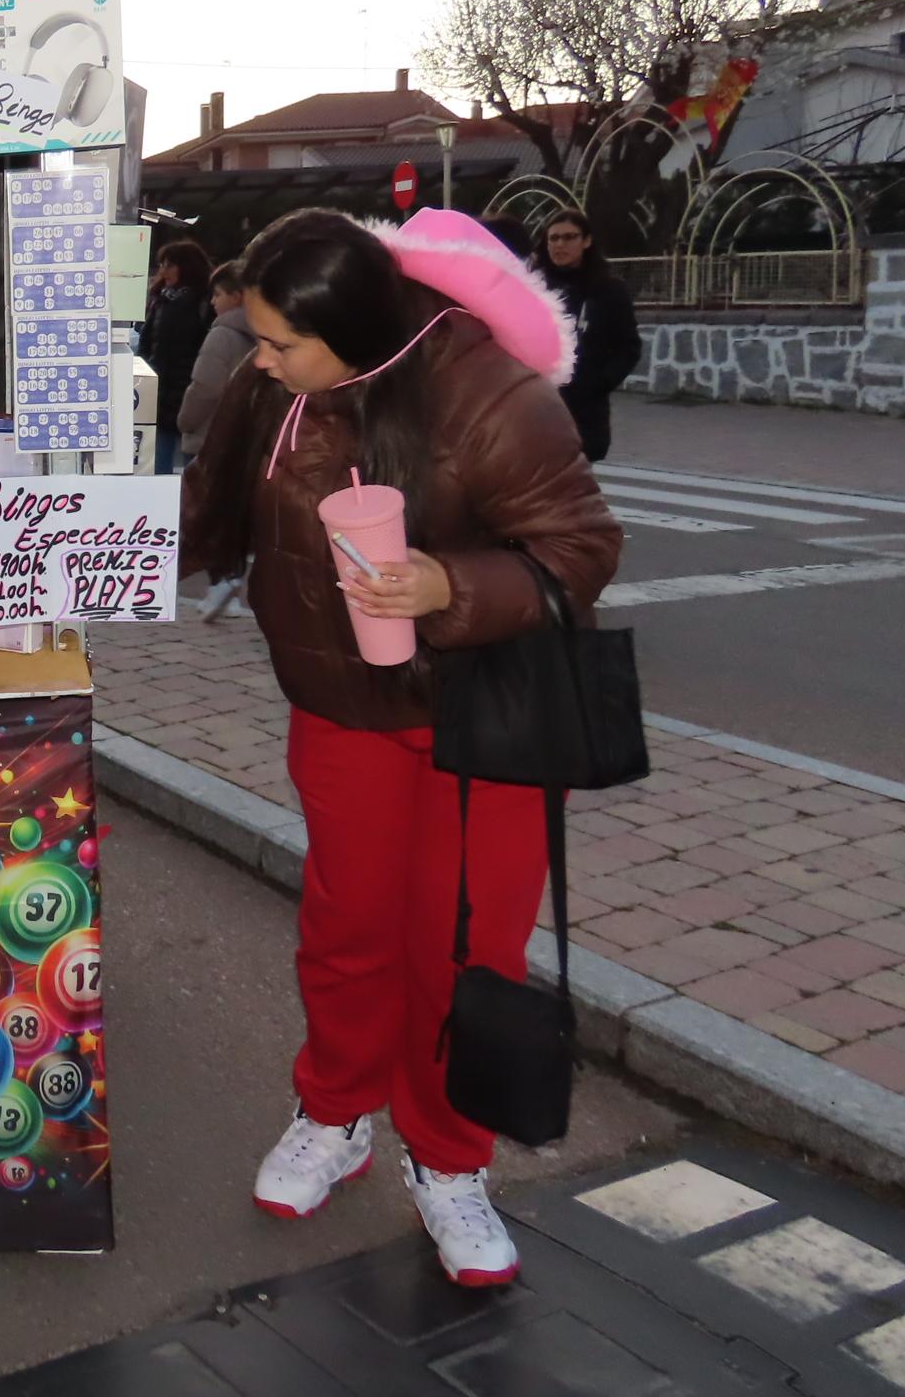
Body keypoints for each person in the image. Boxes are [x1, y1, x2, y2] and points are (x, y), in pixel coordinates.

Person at [183, 208, 620, 1288]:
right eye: (259, 337)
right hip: (339, 710)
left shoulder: (486, 393)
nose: (262, 358)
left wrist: (447, 585)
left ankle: (448, 1159)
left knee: (462, 945)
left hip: (485, 715)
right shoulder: (270, 387)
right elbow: (202, 519)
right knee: (346, 926)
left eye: (282, 341)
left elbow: (579, 548)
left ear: (355, 326)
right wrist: (51, 543)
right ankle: (332, 1113)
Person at [177, 259, 258, 621]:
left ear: (237, 296)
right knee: (235, 512)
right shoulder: (264, 333)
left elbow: (205, 386)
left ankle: (222, 577)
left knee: (204, 512)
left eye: (219, 294)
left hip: (212, 435)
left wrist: (185, 420)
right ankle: (228, 577)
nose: (212, 301)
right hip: (250, 438)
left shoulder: (222, 333)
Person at [534, 209, 641, 462]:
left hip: (584, 408)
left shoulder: (608, 290)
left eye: (569, 237)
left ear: (587, 241)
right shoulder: (534, 286)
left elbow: (629, 347)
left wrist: (600, 383)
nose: (560, 244)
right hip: (538, 403)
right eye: (554, 238)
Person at [139, 240, 213, 474]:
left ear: (186, 267)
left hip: (191, 392)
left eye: (169, 265)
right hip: (160, 390)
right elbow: (147, 342)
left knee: (191, 460)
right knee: (157, 457)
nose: (163, 271)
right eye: (161, 265)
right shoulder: (160, 299)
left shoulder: (205, 301)